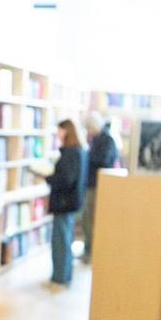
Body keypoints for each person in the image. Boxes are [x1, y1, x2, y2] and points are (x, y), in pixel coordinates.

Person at [46, 119, 85, 288]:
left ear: (66, 131)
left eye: (60, 130)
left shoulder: (69, 153)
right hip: (72, 202)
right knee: (65, 238)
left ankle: (60, 277)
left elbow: (66, 179)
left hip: (63, 203)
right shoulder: (79, 151)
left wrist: (49, 177)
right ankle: (64, 274)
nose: (57, 133)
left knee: (60, 240)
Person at [80, 111, 120, 262]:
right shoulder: (96, 139)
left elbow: (105, 162)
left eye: (89, 128)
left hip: (97, 185)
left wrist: (88, 156)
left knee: (91, 220)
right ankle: (87, 249)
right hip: (91, 184)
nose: (88, 132)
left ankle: (91, 253)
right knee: (86, 219)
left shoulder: (107, 139)